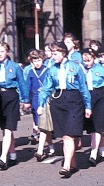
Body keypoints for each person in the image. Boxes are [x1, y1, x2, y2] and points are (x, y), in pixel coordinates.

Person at [38, 42, 91, 178]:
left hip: (74, 101)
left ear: (63, 53)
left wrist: (88, 105)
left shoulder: (75, 67)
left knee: (69, 135)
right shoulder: (52, 69)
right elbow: (46, 88)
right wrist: (41, 104)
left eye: (55, 54)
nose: (53, 57)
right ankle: (72, 163)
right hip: (58, 101)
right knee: (65, 135)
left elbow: (83, 88)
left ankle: (66, 165)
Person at [0, 42, 29, 170]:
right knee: (5, 128)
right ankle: (13, 156)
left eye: (2, 51)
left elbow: (22, 83)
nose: (0, 54)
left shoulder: (15, 67)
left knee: (8, 127)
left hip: (11, 96)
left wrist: (25, 100)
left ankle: (2, 158)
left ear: (7, 52)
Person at [81, 49, 104, 166]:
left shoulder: (101, 69)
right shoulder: (82, 70)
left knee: (98, 125)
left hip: (100, 96)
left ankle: (93, 153)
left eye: (89, 60)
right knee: (92, 126)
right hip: (87, 96)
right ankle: (101, 149)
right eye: (84, 61)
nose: (87, 63)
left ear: (94, 58)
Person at [25, 49, 54, 161]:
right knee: (43, 126)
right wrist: (26, 100)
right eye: (34, 60)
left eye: (39, 60)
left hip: (46, 100)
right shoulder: (31, 72)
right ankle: (51, 147)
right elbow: (28, 86)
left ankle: (40, 150)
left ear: (43, 60)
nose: (37, 63)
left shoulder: (48, 70)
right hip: (35, 100)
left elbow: (52, 85)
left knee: (42, 125)